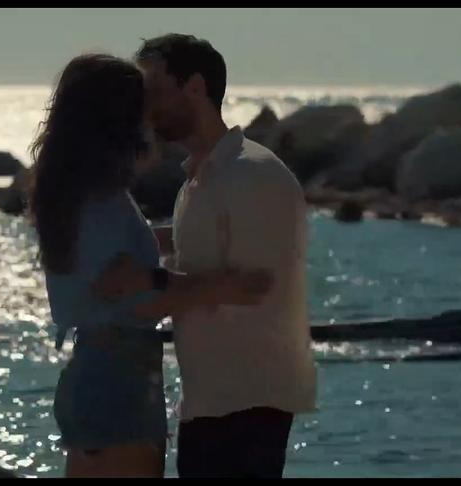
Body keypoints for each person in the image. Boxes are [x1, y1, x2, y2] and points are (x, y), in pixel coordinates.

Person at [28, 53, 273, 478]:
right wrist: (223, 288)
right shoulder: (101, 201)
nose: (153, 120)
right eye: (144, 107)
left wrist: (194, 236)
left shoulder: (78, 192)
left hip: (96, 375)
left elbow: (125, 262)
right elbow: (132, 294)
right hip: (118, 381)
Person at [95, 34, 317, 478]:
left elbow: (253, 286)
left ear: (195, 87)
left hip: (249, 403)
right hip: (211, 401)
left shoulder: (251, 174)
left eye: (155, 90)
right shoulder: (200, 180)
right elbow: (200, 250)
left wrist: (146, 286)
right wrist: (111, 244)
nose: (145, 107)